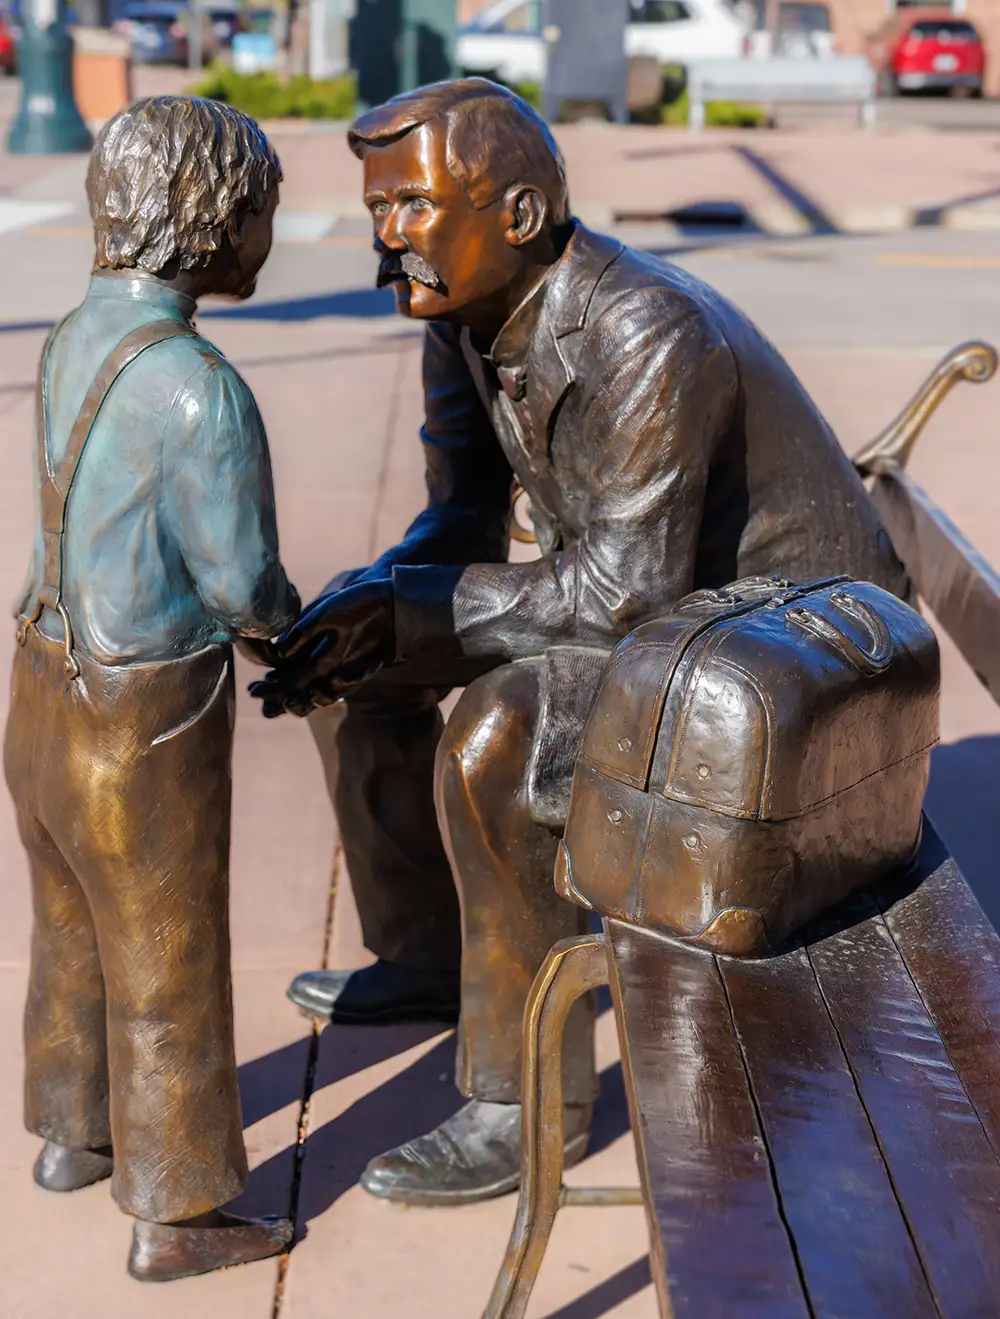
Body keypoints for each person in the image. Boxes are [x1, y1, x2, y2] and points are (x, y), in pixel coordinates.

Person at [253, 78, 911, 1205]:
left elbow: (622, 592)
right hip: (680, 614)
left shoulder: (641, 331)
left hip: (800, 646)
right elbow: (461, 519)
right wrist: (373, 598)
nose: (388, 237)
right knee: (349, 661)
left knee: (500, 734)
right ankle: (424, 954)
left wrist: (413, 605)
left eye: (411, 207)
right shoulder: (463, 315)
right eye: (377, 211)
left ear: (514, 215)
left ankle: (522, 1097)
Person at [4, 96, 300, 1280]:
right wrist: (300, 638)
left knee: (69, 924)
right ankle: (177, 1212)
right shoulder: (201, 389)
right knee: (165, 951)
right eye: (262, 213)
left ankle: (72, 1131)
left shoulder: (67, 337)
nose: (268, 234)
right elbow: (241, 581)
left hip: (40, 680)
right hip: (142, 714)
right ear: (213, 223)